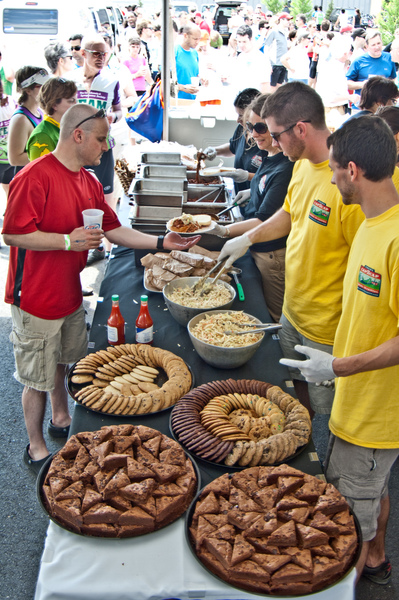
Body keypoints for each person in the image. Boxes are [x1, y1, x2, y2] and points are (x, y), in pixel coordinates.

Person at [2, 104, 201, 475]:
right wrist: (65, 241)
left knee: (63, 361)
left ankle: (61, 418)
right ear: (77, 135)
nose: (106, 147)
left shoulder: (89, 181)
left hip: (69, 294)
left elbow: (113, 229)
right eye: (101, 138)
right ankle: (36, 446)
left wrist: (162, 243)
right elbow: (12, 232)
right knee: (35, 377)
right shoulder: (34, 177)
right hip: (34, 298)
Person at [281, 115, 399, 586]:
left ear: (352, 170)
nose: (327, 179)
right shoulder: (373, 224)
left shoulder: (394, 237)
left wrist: (338, 366)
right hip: (356, 404)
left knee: (344, 524)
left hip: (374, 415)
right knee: (363, 494)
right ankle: (375, 560)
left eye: (332, 170)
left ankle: (361, 573)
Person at [218, 82, 364, 418]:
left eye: (277, 135)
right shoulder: (300, 164)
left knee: (330, 412)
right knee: (296, 395)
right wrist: (247, 238)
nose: (273, 143)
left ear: (300, 129)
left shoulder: (347, 178)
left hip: (327, 325)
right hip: (293, 309)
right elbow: (287, 214)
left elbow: (366, 261)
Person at [211, 94, 294, 322]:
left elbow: (264, 220)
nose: (253, 133)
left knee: (274, 314)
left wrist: (223, 230)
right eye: (250, 126)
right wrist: (252, 191)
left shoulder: (286, 167)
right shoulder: (269, 155)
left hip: (272, 254)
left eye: (261, 127)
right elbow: (264, 186)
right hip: (259, 247)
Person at [73, 35, 122, 264]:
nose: (101, 58)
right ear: (83, 54)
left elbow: (120, 109)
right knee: (78, 198)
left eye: (105, 54)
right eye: (96, 53)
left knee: (104, 195)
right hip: (77, 148)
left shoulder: (111, 80)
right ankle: (82, 247)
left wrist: (115, 116)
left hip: (104, 147)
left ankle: (106, 246)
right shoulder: (70, 81)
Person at [202, 88, 262, 196]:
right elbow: (233, 147)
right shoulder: (242, 129)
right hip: (239, 194)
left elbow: (270, 179)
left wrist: (247, 176)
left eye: (242, 116)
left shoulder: (263, 140)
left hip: (255, 196)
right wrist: (215, 151)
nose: (238, 120)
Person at [8, 67, 49, 173]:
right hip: (28, 181)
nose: (48, 90)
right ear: (28, 90)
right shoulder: (20, 119)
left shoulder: (39, 111)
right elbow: (14, 159)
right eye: (42, 86)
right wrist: (51, 153)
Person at [26, 77, 77, 161]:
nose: (76, 105)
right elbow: (41, 172)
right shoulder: (41, 136)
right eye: (71, 101)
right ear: (54, 104)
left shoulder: (65, 128)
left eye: (76, 101)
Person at [346, 30, 396, 102]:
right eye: (373, 45)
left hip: (383, 105)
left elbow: (393, 79)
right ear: (367, 46)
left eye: (378, 43)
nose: (377, 47)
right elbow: (347, 84)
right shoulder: (358, 61)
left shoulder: (389, 58)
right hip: (363, 105)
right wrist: (362, 84)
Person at [231, 25, 271, 94]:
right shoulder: (240, 56)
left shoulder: (260, 58)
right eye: (239, 42)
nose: (241, 45)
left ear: (251, 39)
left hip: (254, 99)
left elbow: (265, 85)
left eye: (244, 42)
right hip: (240, 98)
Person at [262, 13, 289, 90]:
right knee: (272, 88)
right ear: (281, 20)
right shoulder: (273, 32)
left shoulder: (285, 33)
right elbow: (266, 47)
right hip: (274, 64)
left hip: (283, 64)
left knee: (279, 87)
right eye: (287, 20)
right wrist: (268, 64)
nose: (288, 22)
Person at [175, 24, 201, 100]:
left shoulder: (194, 53)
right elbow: (164, 80)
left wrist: (202, 80)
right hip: (177, 100)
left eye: (199, 39)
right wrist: (183, 88)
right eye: (195, 39)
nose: (197, 42)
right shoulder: (174, 52)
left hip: (192, 99)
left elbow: (194, 74)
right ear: (185, 35)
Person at [0, 79, 17, 197]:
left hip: (2, 157)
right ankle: (9, 211)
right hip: (11, 156)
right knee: (8, 184)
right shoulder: (10, 100)